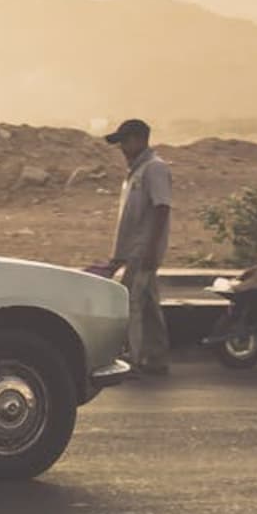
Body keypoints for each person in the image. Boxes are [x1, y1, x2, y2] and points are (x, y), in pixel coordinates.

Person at [98, 118, 173, 375]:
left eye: (124, 141)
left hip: (142, 251)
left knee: (130, 304)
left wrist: (152, 249)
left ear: (139, 140)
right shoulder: (137, 171)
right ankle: (156, 357)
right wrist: (118, 256)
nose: (121, 148)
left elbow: (161, 208)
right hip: (133, 251)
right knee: (148, 303)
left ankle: (134, 360)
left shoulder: (154, 168)